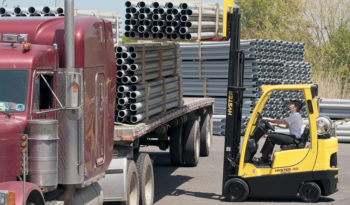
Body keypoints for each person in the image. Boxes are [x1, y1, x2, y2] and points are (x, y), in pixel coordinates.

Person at [255, 100, 304, 164]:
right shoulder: (293, 115)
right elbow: (286, 126)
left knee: (271, 137)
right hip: (294, 138)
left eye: (291, 103)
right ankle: (266, 157)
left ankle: (265, 158)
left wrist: (266, 119)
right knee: (272, 136)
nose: (289, 104)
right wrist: (274, 124)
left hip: (295, 139)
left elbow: (281, 121)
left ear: (295, 107)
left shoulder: (296, 116)